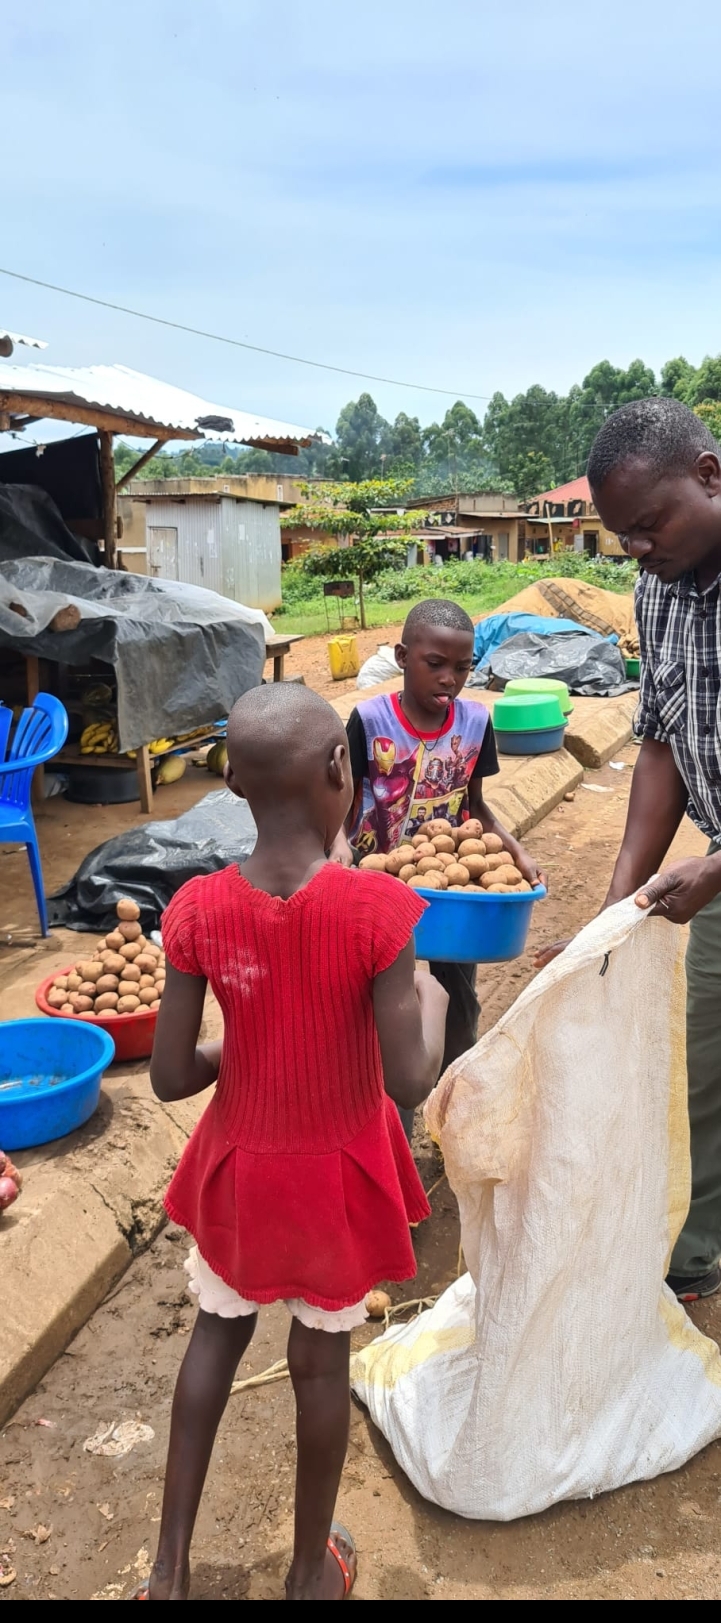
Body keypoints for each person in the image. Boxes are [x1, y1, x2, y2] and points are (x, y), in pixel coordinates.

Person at [136, 683, 448, 1601]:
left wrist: (244, 1043)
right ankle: (310, 1570)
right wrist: (426, 992)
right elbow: (407, 1079)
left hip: (239, 1169)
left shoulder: (196, 910)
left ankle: (168, 1570)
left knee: (213, 1342)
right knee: (318, 1367)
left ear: (230, 781)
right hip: (336, 1181)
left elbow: (168, 1077)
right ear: (340, 770)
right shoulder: (377, 913)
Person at [535, 396, 721, 1303]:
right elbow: (660, 738)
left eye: (649, 525)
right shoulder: (658, 588)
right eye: (624, 538)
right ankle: (692, 1251)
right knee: (701, 1065)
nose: (638, 550)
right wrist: (620, 899)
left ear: (708, 474)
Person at [330, 598, 545, 1139]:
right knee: (387, 1016)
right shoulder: (370, 719)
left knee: (456, 1007)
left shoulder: (475, 723)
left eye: (463, 666)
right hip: (378, 894)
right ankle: (391, 1139)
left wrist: (515, 850)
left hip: (450, 900)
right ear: (403, 657)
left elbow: (475, 805)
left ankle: (453, 1120)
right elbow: (341, 797)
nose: (450, 678)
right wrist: (336, 844)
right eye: (435, 664)